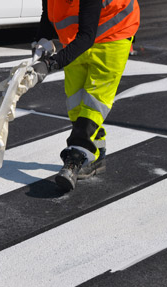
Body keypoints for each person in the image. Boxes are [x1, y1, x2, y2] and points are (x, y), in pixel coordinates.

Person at [32, 0, 140, 192]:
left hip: (114, 33)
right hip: (76, 38)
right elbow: (48, 7)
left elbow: (87, 36)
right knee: (76, 104)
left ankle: (74, 158)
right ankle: (96, 157)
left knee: (94, 104)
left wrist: (50, 64)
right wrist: (43, 38)